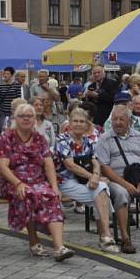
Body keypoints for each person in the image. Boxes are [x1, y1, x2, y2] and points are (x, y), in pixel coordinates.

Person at [0, 104, 73, 261]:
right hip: (13, 181)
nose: (26, 119)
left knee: (51, 196)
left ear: (34, 119)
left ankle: (59, 247)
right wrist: (18, 183)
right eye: (22, 116)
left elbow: (48, 164)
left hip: (38, 181)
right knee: (30, 194)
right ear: (15, 119)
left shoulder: (39, 138)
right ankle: (33, 239)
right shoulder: (7, 137)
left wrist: (55, 186)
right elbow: (3, 166)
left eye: (29, 116)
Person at [95, 104, 140, 254]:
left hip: (138, 178)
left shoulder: (139, 137)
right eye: (114, 119)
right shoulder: (105, 139)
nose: (117, 122)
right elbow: (105, 167)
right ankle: (125, 238)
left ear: (129, 120)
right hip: (117, 180)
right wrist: (125, 184)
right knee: (122, 194)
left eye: (121, 119)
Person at [54, 108, 119, 253]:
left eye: (82, 122)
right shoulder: (62, 139)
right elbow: (70, 165)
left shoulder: (88, 141)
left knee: (101, 188)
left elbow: (95, 160)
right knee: (102, 191)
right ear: (69, 123)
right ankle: (105, 236)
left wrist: (95, 175)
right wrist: (92, 177)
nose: (78, 124)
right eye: (75, 121)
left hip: (84, 180)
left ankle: (106, 235)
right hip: (65, 180)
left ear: (86, 125)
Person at [0, 67, 22, 132]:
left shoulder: (17, 85)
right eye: (4, 73)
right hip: (3, 112)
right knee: (3, 130)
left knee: (14, 130)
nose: (5, 75)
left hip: (13, 112)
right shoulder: (1, 86)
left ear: (12, 75)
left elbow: (19, 99)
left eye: (7, 74)